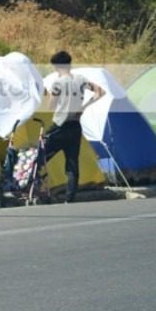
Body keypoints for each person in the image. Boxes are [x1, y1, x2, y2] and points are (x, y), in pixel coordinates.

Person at [43, 51, 104, 203]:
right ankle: (70, 197)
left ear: (57, 66)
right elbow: (100, 91)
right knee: (72, 162)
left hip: (60, 125)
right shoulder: (81, 79)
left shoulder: (58, 83)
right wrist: (84, 106)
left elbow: (51, 105)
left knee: (41, 155)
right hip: (75, 125)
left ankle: (37, 187)